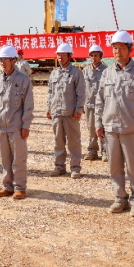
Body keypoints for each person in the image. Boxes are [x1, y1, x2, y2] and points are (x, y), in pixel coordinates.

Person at [96, 30, 134, 218]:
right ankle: (119, 198)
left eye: (122, 48)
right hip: (110, 129)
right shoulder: (107, 74)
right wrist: (99, 123)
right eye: (115, 48)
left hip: (131, 129)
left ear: (130, 49)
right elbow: (100, 101)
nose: (118, 52)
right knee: (114, 167)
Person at [0, 45, 34, 200]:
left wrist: (26, 125)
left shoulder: (23, 80)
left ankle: (20, 187)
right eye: (1, 60)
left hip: (16, 126)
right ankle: (7, 186)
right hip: (1, 125)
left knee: (19, 158)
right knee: (4, 158)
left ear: (14, 61)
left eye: (5, 60)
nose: (2, 63)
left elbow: (28, 105)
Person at [46, 43, 86, 178]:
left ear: (69, 56)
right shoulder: (54, 73)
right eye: (58, 55)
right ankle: (59, 167)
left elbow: (81, 93)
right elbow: (50, 92)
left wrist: (79, 109)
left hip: (70, 114)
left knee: (74, 142)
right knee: (58, 142)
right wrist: (49, 108)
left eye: (63, 55)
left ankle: (75, 168)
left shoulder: (76, 73)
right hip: (56, 113)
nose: (60, 58)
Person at [82, 46, 108, 161]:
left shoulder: (106, 71)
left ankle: (105, 151)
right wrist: (81, 104)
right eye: (92, 56)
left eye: (96, 55)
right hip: (89, 105)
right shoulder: (86, 71)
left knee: (103, 128)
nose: (93, 58)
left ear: (100, 56)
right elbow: (82, 88)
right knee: (91, 129)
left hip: (103, 106)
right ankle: (92, 151)